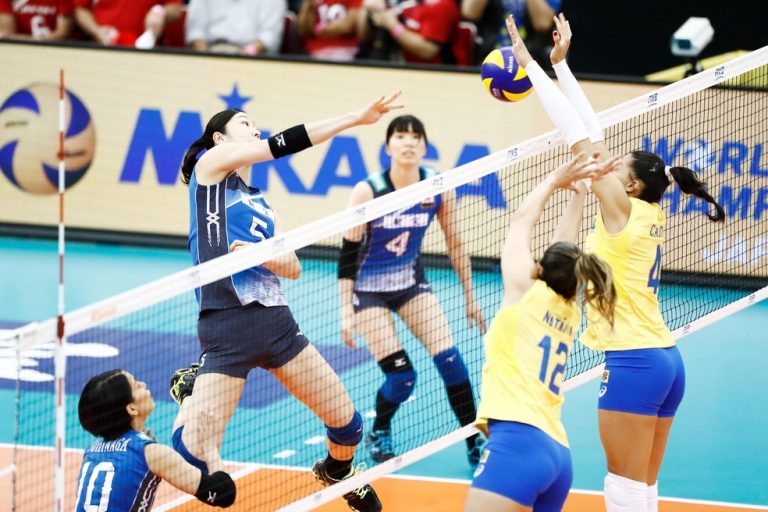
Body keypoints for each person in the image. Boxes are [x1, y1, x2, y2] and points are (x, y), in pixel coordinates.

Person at [505, 14, 726, 511]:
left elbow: (576, 136)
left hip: (634, 362)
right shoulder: (644, 210)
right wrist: (561, 66)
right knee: (643, 489)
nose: (604, 162)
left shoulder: (622, 210)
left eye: (614, 165)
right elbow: (592, 132)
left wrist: (530, 66)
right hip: (666, 360)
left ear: (628, 184)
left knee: (623, 489)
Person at [170, 92, 402, 512]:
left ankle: (336, 472)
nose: (254, 128)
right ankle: (189, 392)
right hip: (227, 327)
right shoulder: (210, 171)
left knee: (348, 427)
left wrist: (260, 254)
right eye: (244, 123)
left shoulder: (263, 205)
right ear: (220, 139)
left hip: (279, 328)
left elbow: (292, 267)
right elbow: (281, 144)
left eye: (253, 123)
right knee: (195, 461)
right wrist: (355, 117)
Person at [465, 154, 618, 512]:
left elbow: (521, 221)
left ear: (540, 268)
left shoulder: (525, 292)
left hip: (517, 443)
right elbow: (565, 251)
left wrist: (553, 180)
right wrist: (578, 194)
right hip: (557, 454)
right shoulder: (569, 307)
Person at [338, 114, 487, 465]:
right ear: (388, 146)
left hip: (410, 284)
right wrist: (345, 310)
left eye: (415, 136)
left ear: (424, 146)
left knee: (452, 363)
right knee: (402, 377)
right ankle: (380, 430)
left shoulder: (437, 185)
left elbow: (455, 243)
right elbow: (347, 255)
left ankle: (473, 440)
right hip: (368, 292)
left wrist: (470, 298)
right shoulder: (368, 190)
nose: (408, 142)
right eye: (400, 136)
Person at [75, 369, 236, 511]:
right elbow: (224, 494)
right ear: (132, 408)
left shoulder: (91, 452)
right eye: (137, 386)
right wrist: (210, 448)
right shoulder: (150, 453)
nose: (143, 384)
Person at [357, 0, 460, 65]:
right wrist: (367, 9)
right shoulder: (407, 3)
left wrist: (392, 26)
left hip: (432, 72)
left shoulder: (442, 6)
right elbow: (364, 37)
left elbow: (428, 51)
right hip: (395, 64)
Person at [185, 0, 286, 55]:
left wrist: (243, 56)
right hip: (210, 52)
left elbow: (269, 37)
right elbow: (195, 33)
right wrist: (206, 58)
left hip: (252, 58)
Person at [73, 0, 183, 48]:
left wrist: (159, 12)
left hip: (147, 49)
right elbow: (81, 9)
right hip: (102, 46)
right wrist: (96, 31)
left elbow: (175, 9)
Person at [297, 0, 362, 62]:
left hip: (343, 49)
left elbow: (348, 26)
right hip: (313, 50)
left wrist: (318, 30)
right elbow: (303, 30)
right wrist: (308, 5)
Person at [0, 0, 74, 41]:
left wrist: (32, 41)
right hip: (18, 48)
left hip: (55, 48)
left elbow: (62, 33)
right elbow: (7, 33)